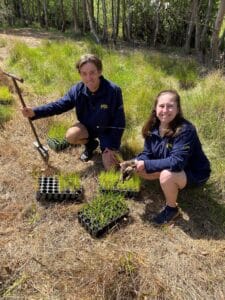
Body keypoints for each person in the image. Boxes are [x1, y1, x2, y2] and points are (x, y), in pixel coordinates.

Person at [121, 89, 211, 225]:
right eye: (161, 106)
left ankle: (172, 209)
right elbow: (148, 153)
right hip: (173, 168)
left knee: (166, 175)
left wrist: (146, 165)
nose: (165, 110)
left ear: (178, 109)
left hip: (195, 173)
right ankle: (169, 184)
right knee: (140, 169)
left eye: (170, 106)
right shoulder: (153, 127)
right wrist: (134, 162)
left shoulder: (185, 130)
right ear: (156, 108)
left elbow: (177, 163)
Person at [21, 54, 125, 170]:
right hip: (88, 127)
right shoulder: (77, 90)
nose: (88, 78)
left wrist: (111, 146)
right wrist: (35, 112)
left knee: (111, 168)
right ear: (80, 74)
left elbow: (119, 122)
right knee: (71, 136)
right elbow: (58, 106)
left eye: (92, 73)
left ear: (99, 72)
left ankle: (106, 148)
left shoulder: (113, 91)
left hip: (107, 131)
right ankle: (91, 145)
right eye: (84, 74)